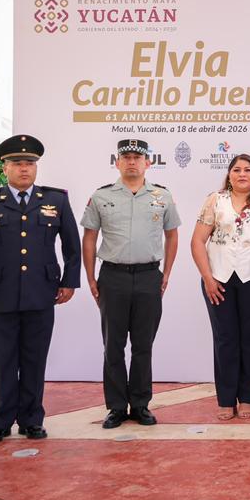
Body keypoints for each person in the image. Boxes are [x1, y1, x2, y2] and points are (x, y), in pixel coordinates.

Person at [0, 135, 81, 445]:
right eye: (17, 163)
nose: (24, 168)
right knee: (1, 361)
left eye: (29, 163)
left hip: (42, 292)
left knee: (34, 359)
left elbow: (72, 245)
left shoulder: (56, 200)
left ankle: (31, 419)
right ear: (5, 168)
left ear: (36, 167)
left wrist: (69, 281)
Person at [81, 139, 180, 429]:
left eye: (138, 157)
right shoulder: (101, 196)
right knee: (113, 345)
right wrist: (90, 276)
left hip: (149, 276)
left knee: (143, 345)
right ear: (117, 163)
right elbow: (90, 237)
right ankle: (115, 407)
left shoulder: (162, 196)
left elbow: (172, 235)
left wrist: (166, 273)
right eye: (126, 157)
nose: (132, 162)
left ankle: (140, 404)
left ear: (148, 162)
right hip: (113, 277)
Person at [191, 154, 250, 421]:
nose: (242, 174)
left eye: (248, 170)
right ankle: (226, 399)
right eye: (237, 169)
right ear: (229, 175)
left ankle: (247, 398)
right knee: (225, 338)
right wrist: (208, 278)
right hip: (219, 278)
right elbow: (197, 241)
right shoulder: (215, 200)